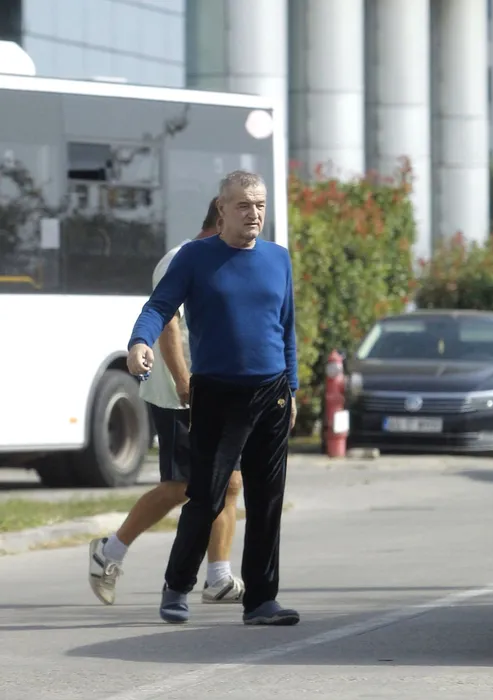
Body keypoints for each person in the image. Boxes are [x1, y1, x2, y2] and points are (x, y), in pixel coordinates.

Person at [127, 170, 300, 627]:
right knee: (205, 496)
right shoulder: (195, 258)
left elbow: (286, 328)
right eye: (244, 205)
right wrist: (139, 342)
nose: (254, 214)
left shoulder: (278, 259)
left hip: (272, 393)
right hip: (217, 394)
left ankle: (261, 600)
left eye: (260, 205)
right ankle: (177, 586)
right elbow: (158, 307)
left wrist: (293, 389)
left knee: (266, 501)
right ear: (221, 210)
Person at [89, 197, 244, 607]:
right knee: (180, 487)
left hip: (219, 389)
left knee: (230, 483)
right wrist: (183, 381)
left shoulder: (227, 261)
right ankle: (109, 551)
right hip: (178, 393)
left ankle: (218, 577)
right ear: (220, 221)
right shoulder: (180, 258)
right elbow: (167, 323)